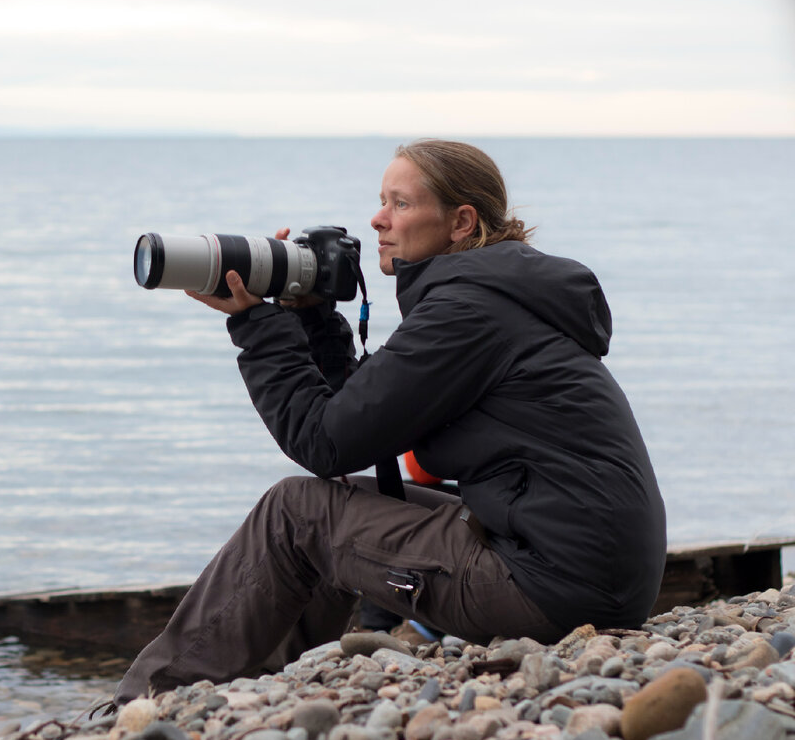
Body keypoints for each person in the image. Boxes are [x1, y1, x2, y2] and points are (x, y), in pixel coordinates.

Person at [114, 139, 666, 705]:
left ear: (461, 222)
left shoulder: (467, 312)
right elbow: (361, 410)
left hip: (553, 586)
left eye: (400, 204)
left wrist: (257, 326)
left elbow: (323, 442)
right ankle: (257, 688)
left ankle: (150, 703)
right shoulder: (490, 297)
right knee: (330, 505)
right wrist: (314, 316)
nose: (377, 218)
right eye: (381, 201)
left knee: (296, 512)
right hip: (590, 572)